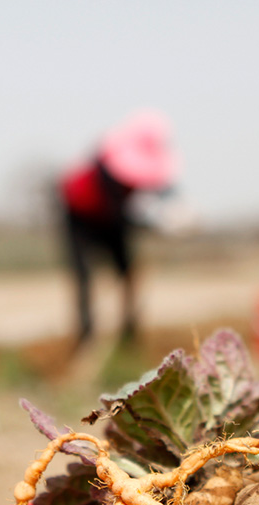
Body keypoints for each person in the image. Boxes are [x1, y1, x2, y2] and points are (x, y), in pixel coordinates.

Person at [58, 110, 178, 347]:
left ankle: (129, 334)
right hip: (81, 218)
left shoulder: (144, 167)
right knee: (83, 277)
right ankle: (86, 334)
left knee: (129, 273)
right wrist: (147, 223)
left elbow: (161, 192)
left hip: (113, 218)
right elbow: (117, 209)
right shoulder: (107, 163)